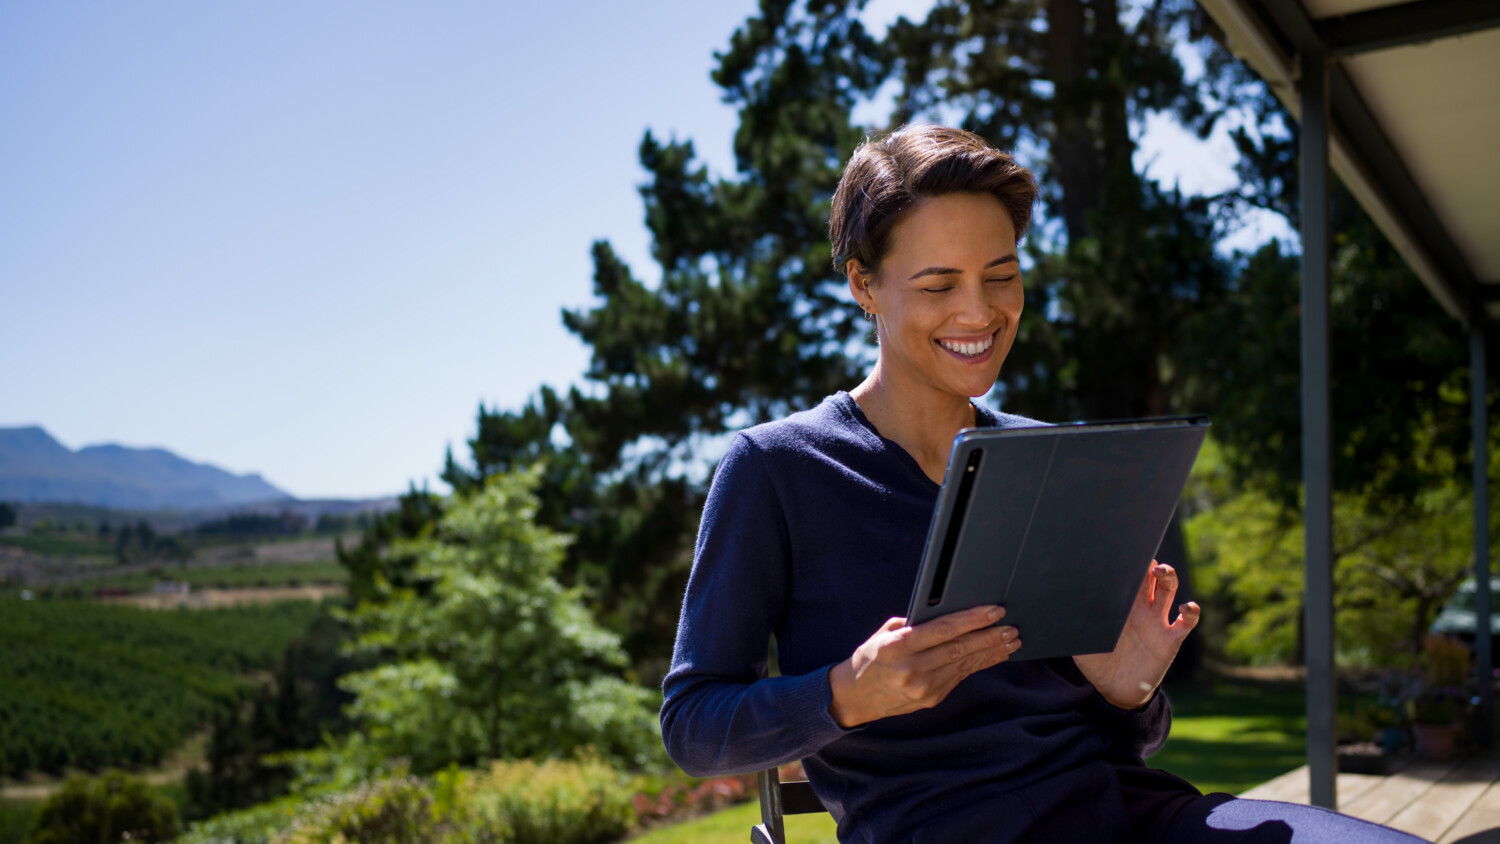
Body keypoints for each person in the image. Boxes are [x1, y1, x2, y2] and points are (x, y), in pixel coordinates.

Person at [659, 125, 1425, 843]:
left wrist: (1128, 692)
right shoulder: (777, 470)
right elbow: (693, 723)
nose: (979, 311)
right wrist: (846, 692)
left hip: (1131, 816)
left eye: (1001, 275)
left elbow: (1127, 738)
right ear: (864, 284)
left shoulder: (1050, 459)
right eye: (939, 285)